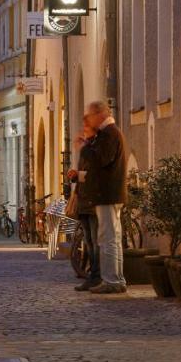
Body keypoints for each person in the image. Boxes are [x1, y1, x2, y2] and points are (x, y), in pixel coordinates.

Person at [78, 100, 128, 295]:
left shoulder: (109, 134)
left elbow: (102, 159)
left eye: (90, 116)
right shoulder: (109, 133)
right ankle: (116, 278)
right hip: (109, 194)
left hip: (107, 194)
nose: (88, 120)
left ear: (99, 114)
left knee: (107, 238)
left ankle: (111, 280)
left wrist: (85, 147)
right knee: (112, 238)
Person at [68, 114, 100, 292]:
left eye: (86, 128)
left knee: (95, 241)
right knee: (89, 241)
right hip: (84, 201)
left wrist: (78, 174)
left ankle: (96, 276)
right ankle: (92, 275)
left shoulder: (94, 148)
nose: (83, 131)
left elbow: (95, 173)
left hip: (92, 201)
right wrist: (75, 175)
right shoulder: (87, 148)